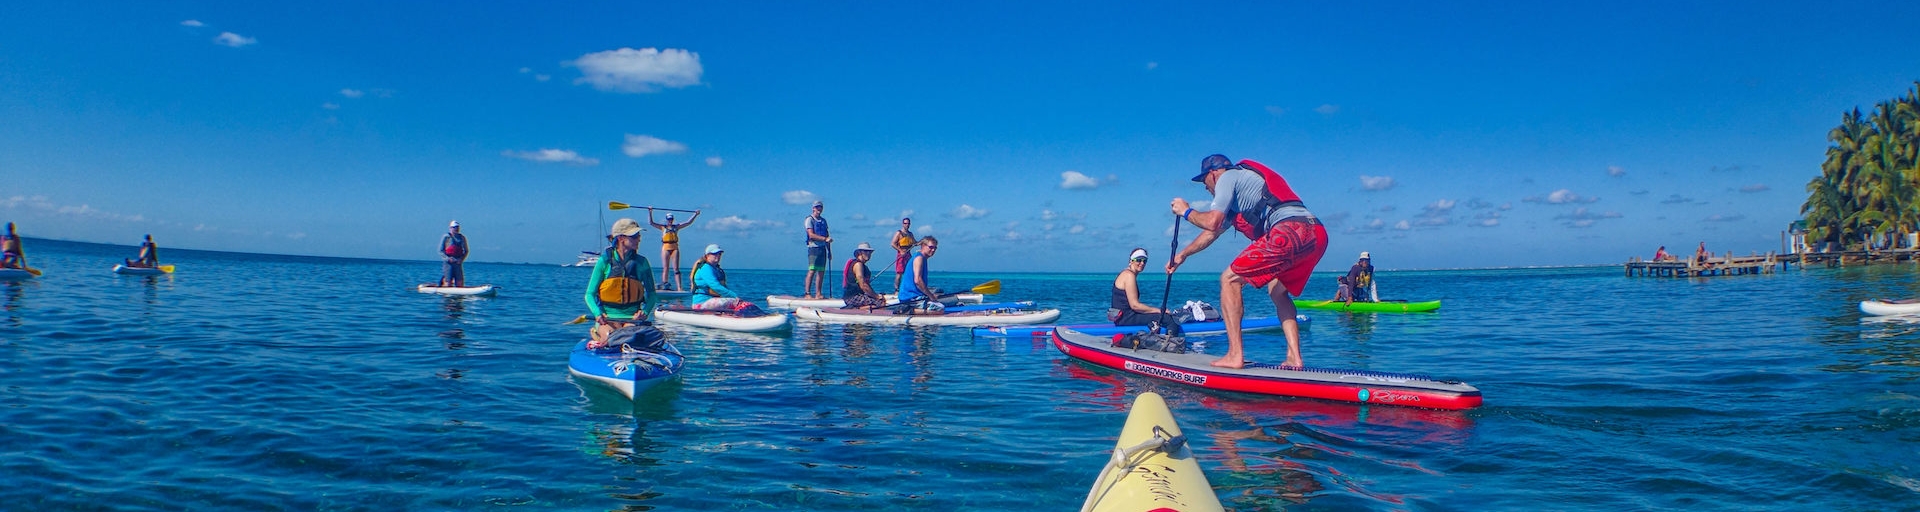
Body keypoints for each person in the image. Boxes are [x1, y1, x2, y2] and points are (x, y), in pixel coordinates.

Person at [1166, 154, 1327, 369]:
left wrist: (1186, 211)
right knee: (1277, 290)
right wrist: (1182, 255)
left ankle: (1234, 355)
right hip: (1317, 232)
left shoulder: (1228, 177)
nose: (1206, 188)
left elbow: (1212, 221)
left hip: (1289, 230)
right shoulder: (1242, 192)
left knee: (1229, 279)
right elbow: (1211, 233)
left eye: (1204, 182)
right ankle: (1294, 357)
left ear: (1213, 174)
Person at [583, 219, 657, 348]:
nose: (639, 239)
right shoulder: (605, 261)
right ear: (621, 238)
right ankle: (600, 336)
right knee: (610, 337)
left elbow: (652, 293)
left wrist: (644, 312)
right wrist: (597, 314)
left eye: (638, 236)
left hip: (632, 319)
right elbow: (589, 294)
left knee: (626, 338)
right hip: (607, 319)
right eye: (634, 236)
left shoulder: (642, 263)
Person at [1112, 248, 1178, 327]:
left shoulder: (1125, 273)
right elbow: (1135, 306)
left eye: (1144, 261)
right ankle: (1172, 338)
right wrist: (1159, 311)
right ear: (1131, 261)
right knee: (1167, 319)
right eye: (1139, 260)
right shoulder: (1129, 275)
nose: (1142, 263)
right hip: (1126, 319)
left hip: (1123, 318)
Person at [648, 208, 702, 291]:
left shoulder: (676, 227)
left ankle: (679, 288)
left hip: (674, 248)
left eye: (671, 219)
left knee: (676, 269)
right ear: (666, 219)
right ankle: (664, 285)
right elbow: (651, 223)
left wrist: (695, 214)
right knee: (665, 268)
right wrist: (650, 212)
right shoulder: (663, 227)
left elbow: (688, 222)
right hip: (665, 248)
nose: (670, 221)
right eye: (669, 219)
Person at [691, 244, 747, 310]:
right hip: (701, 303)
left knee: (736, 302)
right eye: (714, 254)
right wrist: (735, 296)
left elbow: (723, 286)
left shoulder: (717, 269)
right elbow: (715, 286)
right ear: (707, 255)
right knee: (735, 302)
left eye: (719, 254)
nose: (718, 256)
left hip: (711, 300)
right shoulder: (705, 268)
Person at [895, 236, 943, 312]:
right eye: (930, 247)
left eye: (935, 248)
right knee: (939, 309)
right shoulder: (919, 258)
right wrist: (931, 296)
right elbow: (918, 281)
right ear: (923, 246)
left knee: (940, 292)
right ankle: (908, 310)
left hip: (916, 295)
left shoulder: (923, 258)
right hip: (910, 297)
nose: (933, 250)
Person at [803, 200, 832, 299]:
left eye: (820, 207)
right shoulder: (810, 219)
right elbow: (811, 235)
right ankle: (807, 293)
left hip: (822, 248)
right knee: (812, 270)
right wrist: (824, 239)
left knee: (821, 271)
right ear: (813, 208)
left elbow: (827, 236)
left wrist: (829, 251)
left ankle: (818, 293)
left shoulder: (823, 221)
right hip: (813, 248)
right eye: (817, 207)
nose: (819, 209)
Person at [843, 243, 885, 308]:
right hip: (853, 297)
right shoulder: (858, 265)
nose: (868, 253)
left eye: (870, 252)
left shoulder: (863, 266)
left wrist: (875, 295)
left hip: (857, 295)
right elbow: (863, 285)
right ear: (859, 252)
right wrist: (877, 297)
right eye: (865, 251)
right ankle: (857, 309)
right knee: (881, 304)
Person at [439, 221, 469, 287]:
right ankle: (446, 287)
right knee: (448, 281)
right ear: (451, 228)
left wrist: (461, 259)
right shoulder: (446, 237)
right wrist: (447, 259)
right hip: (448, 262)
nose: (456, 229)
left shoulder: (462, 238)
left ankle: (459, 292)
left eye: (457, 227)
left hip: (458, 262)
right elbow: (440, 251)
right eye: (454, 227)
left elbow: (466, 251)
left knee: (460, 281)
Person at [890, 218, 916, 292]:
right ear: (902, 224)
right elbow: (893, 243)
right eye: (905, 223)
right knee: (899, 273)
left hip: (908, 254)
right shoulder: (899, 233)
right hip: (901, 254)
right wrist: (900, 250)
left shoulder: (910, 234)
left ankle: (908, 288)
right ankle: (896, 289)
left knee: (910, 271)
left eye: (908, 223)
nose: (907, 225)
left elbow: (914, 243)